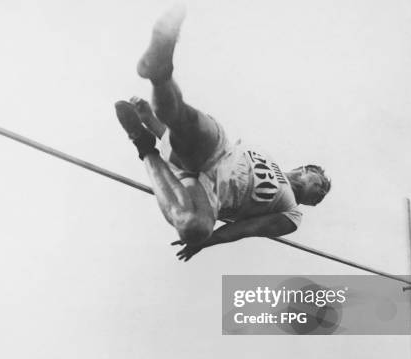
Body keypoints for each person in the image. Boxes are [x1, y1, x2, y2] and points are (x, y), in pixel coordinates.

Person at [114, 4, 331, 261]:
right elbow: (183, 143)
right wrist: (151, 120)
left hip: (210, 193)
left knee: (194, 229)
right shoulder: (264, 153)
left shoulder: (292, 213)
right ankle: (159, 73)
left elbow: (247, 228)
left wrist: (207, 242)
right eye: (320, 186)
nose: (319, 196)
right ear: (306, 169)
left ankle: (143, 145)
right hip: (220, 153)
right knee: (183, 124)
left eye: (320, 198)